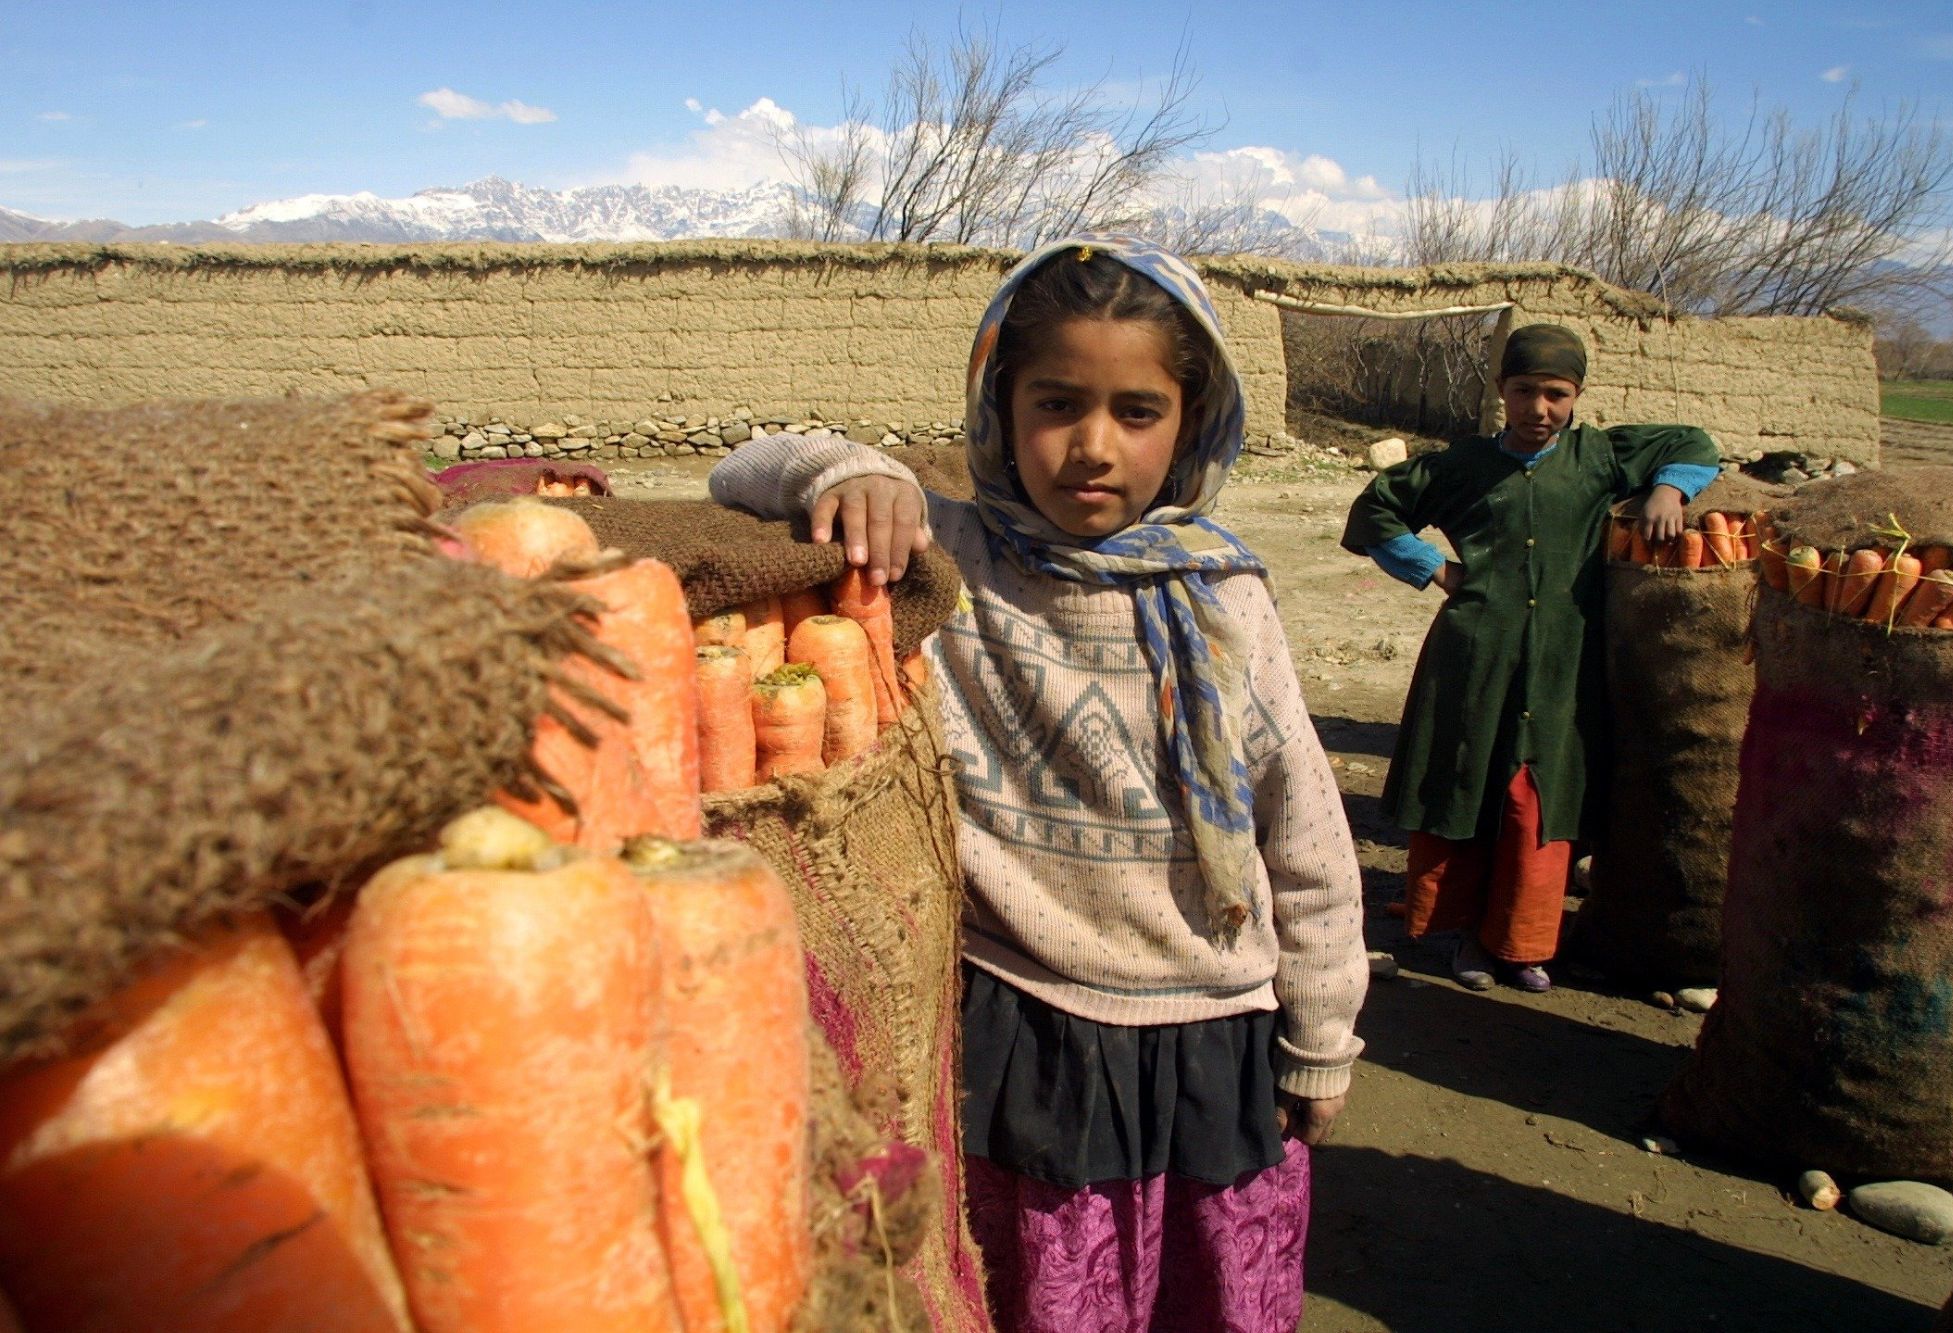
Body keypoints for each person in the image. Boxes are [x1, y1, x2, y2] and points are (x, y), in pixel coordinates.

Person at [711, 235, 1367, 1332]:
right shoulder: (951, 557)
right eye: (1056, 403)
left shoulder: (1222, 596)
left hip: (1212, 1033)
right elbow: (741, 467)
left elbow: (1299, 828)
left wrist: (1322, 1032)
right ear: (998, 405)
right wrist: (853, 474)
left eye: (1135, 411)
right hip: (1021, 1027)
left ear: (1191, 419)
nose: (1090, 448)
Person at [1340, 323, 1719, 994]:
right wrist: (1436, 567)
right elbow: (1376, 508)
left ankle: (1520, 942)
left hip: (1562, 662)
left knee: (1537, 796)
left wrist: (1669, 492)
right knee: (1471, 782)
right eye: (1523, 391)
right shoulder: (1464, 466)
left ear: (1577, 394)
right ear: (1500, 390)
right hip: (1474, 656)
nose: (1538, 409)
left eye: (1556, 393)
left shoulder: (1599, 456)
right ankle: (1462, 935)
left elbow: (1691, 442)